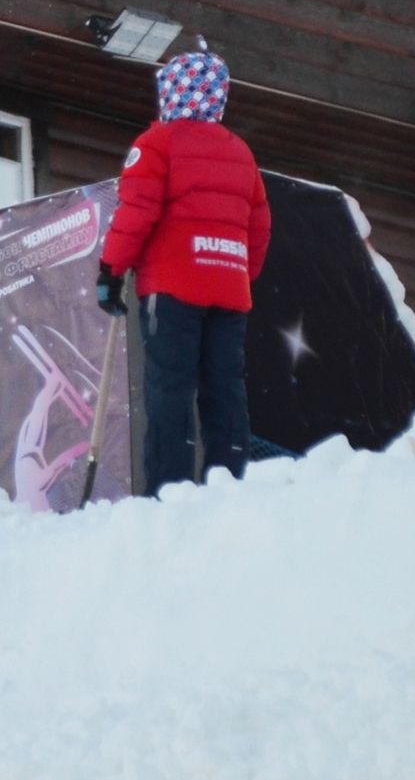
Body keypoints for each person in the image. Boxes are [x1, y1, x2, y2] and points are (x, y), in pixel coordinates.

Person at [94, 48, 271, 495]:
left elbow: (137, 211)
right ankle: (227, 483)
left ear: (170, 92)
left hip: (172, 287)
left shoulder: (156, 144)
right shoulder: (240, 152)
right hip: (229, 289)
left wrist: (111, 272)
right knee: (224, 390)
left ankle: (168, 490)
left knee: (170, 389)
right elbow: (260, 224)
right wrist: (238, 274)